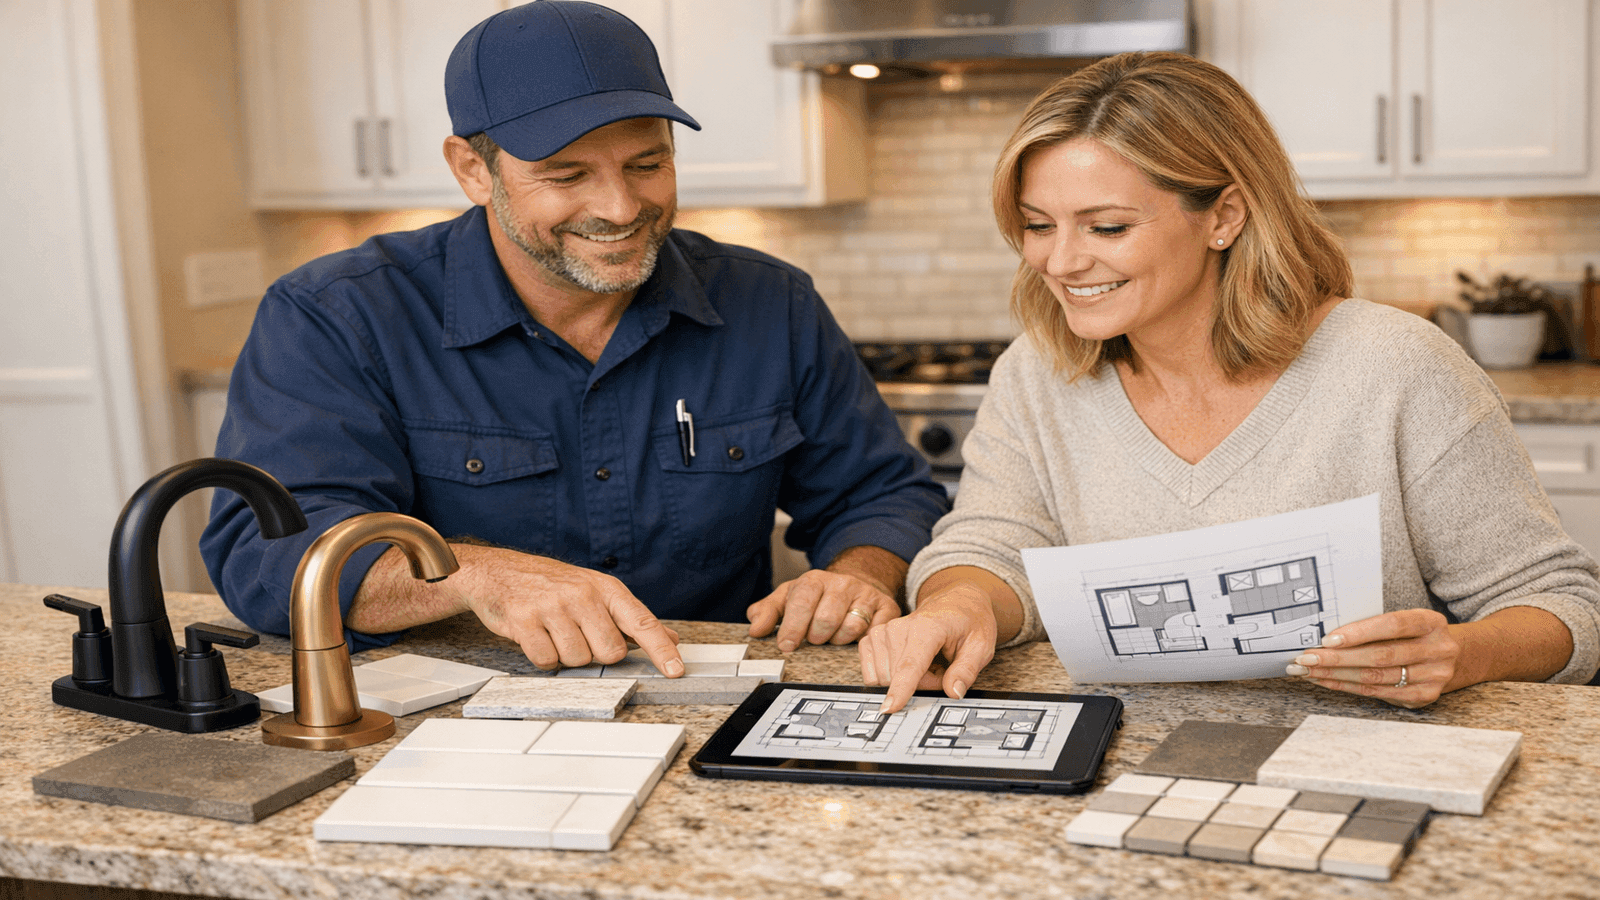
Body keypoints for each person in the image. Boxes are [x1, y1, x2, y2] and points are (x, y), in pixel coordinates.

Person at [202, 0, 947, 676]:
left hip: (710, 704)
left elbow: (882, 494)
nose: (621, 206)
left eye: (646, 164)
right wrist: (477, 576)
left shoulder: (770, 301)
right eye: (566, 175)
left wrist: (860, 574)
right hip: (450, 718)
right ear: (472, 168)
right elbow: (269, 557)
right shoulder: (336, 314)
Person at [862, 51, 1600, 713]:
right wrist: (957, 604)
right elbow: (994, 544)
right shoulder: (1036, 371)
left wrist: (1461, 655)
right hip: (1113, 761)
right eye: (1037, 225)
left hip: (1357, 773)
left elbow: (1563, 607)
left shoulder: (1396, 366)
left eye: (1107, 227)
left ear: (1225, 216)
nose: (1059, 263)